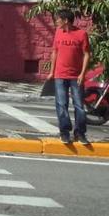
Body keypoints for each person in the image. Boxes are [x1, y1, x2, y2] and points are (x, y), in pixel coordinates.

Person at [46, 8, 91, 144]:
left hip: (76, 76)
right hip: (60, 75)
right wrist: (51, 72)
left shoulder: (82, 34)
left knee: (79, 106)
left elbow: (87, 54)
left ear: (66, 20)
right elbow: (54, 52)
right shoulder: (58, 33)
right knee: (61, 104)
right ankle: (64, 132)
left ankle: (80, 133)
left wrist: (83, 74)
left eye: (58, 19)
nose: (56, 22)